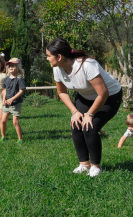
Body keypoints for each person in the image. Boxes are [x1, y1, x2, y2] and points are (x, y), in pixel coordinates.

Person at [46, 38, 123, 177]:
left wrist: (90, 114)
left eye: (48, 56)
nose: (47, 59)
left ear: (59, 57)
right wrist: (74, 112)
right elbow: (61, 92)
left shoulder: (87, 65)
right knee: (76, 124)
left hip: (109, 97)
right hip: (86, 97)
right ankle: (84, 164)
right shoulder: (58, 69)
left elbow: (103, 92)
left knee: (90, 126)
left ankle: (96, 167)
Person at [0, 58, 26, 142]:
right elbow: (4, 90)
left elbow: (21, 91)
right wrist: (4, 99)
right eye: (9, 66)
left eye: (13, 66)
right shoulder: (6, 78)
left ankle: (20, 139)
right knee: (3, 121)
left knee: (15, 122)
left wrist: (12, 99)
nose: (11, 67)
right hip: (6, 103)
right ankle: (3, 137)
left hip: (16, 104)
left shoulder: (20, 79)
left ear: (18, 67)